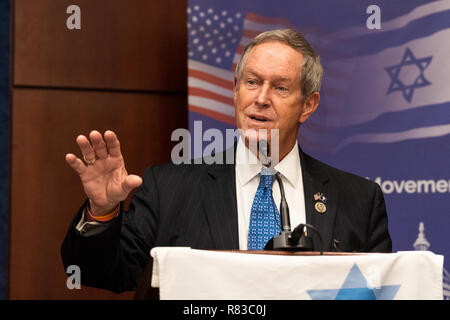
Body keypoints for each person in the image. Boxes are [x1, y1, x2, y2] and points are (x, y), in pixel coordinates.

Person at [61, 29, 392, 293]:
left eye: (279, 87)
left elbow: (381, 290)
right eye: (251, 82)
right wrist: (101, 211)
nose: (260, 99)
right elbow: (104, 273)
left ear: (308, 105)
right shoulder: (169, 188)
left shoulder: (358, 200)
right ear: (235, 91)